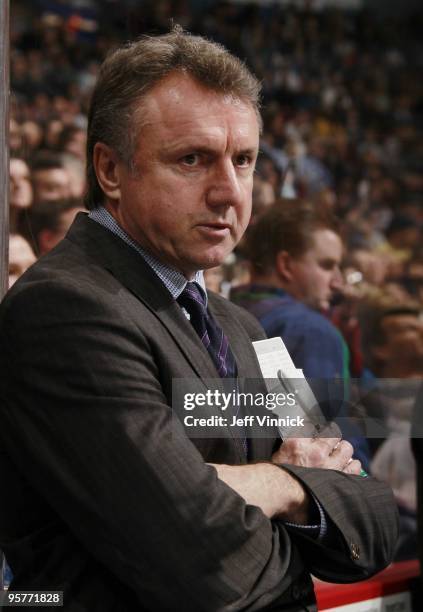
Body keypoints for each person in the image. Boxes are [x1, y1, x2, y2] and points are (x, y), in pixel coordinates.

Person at [0, 28, 398, 611]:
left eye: (244, 161)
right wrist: (290, 489)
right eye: (192, 159)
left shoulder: (249, 330)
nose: (228, 191)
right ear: (111, 170)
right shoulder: (64, 309)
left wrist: (263, 487)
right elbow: (205, 568)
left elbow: (370, 515)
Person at [231, 200, 370, 467]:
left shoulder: (218, 313)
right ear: (285, 264)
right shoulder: (313, 332)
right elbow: (329, 447)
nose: (338, 281)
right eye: (327, 265)